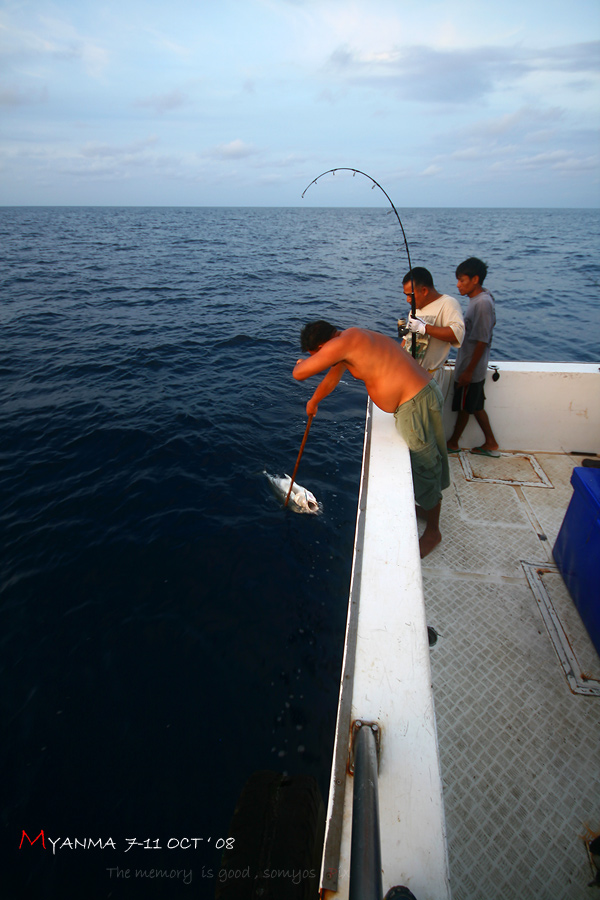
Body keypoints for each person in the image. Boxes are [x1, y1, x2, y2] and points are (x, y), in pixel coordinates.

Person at [293, 321, 450, 558]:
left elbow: (299, 374)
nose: (324, 359)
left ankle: (433, 532)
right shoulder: (349, 341)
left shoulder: (343, 343)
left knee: (425, 465)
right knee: (426, 461)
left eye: (320, 354)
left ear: (324, 345)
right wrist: (314, 402)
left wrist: (302, 364)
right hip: (418, 399)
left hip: (416, 404)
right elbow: (332, 378)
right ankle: (429, 508)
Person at [446, 257, 499, 456]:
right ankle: (488, 443)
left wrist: (468, 371)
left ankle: (453, 442)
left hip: (471, 368)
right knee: (473, 406)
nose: (458, 285)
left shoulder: (482, 304)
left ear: (475, 279)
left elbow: (482, 340)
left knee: (467, 407)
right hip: (470, 366)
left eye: (462, 280)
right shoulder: (480, 299)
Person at [401, 267, 465, 377]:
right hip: (410, 375)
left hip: (431, 377)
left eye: (410, 295)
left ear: (424, 291)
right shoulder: (414, 309)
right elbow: (406, 341)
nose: (408, 300)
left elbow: (457, 334)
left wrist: (425, 328)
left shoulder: (448, 303)